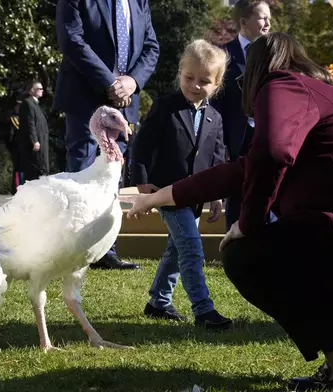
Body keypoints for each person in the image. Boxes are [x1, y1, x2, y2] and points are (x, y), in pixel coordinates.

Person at [121, 32, 333, 391]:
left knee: (247, 256)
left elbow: (273, 154)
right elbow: (245, 169)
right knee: (300, 255)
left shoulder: (281, 85)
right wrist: (158, 198)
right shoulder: (322, 94)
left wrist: (249, 223)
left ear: (256, 72)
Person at [132, 39, 232, 330]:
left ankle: (158, 301)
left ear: (217, 84)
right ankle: (203, 309)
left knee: (176, 249)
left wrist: (217, 196)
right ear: (180, 73)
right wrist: (142, 181)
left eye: (204, 81)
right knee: (190, 247)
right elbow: (142, 146)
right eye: (189, 78)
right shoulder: (165, 107)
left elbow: (216, 159)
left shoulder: (215, 117)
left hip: (197, 196)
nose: (195, 85)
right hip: (166, 192)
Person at [53, 0, 160, 270]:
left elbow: (151, 46)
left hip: (124, 102)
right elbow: (71, 40)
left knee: (112, 176)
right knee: (82, 172)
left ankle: (104, 250)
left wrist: (132, 82)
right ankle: (74, 250)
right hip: (84, 98)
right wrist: (109, 82)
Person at [211, 0, 271, 231]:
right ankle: (235, 247)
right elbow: (216, 100)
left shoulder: (274, 53)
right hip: (237, 136)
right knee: (237, 191)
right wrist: (220, 140)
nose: (268, 22)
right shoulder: (223, 55)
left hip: (268, 133)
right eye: (262, 17)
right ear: (244, 21)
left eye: (268, 17)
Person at [16, 81, 50, 182]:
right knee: (36, 170)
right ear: (32, 90)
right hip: (36, 144)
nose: (42, 91)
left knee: (42, 169)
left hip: (42, 141)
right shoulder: (28, 103)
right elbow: (29, 123)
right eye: (39, 89)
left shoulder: (36, 104)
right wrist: (34, 140)